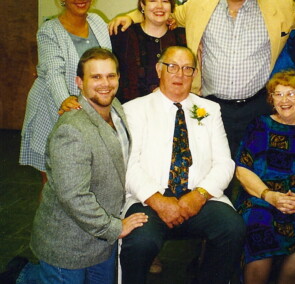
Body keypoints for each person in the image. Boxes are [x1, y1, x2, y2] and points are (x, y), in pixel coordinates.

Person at [108, 0, 295, 155]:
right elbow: (162, 11)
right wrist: (129, 16)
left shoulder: (279, 6)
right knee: (213, 169)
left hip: (258, 106)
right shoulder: (198, 5)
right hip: (212, 107)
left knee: (256, 167)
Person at [120, 46, 246, 284]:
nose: (180, 74)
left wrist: (198, 196)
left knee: (233, 229)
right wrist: (158, 201)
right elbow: (129, 165)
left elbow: (224, 163)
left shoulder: (209, 110)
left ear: (194, 75)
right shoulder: (134, 110)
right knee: (140, 242)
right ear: (159, 69)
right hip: (149, 198)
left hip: (197, 196)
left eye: (188, 69)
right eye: (173, 67)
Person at [30, 47, 148, 284]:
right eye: (95, 77)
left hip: (101, 242)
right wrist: (115, 228)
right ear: (79, 82)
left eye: (110, 76)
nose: (105, 83)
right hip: (68, 246)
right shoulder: (71, 129)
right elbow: (74, 196)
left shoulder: (116, 108)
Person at [235, 69, 295, 284]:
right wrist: (270, 196)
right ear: (271, 99)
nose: (284, 100)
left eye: (291, 93)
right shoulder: (259, 126)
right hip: (261, 198)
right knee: (259, 230)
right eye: (278, 94)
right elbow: (242, 169)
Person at [19, 0, 111, 187]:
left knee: (84, 177)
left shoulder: (98, 22)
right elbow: (54, 72)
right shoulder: (49, 30)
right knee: (53, 183)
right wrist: (65, 99)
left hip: (88, 110)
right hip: (51, 109)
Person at [111, 0, 186, 103]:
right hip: (131, 112)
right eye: (153, 0)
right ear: (142, 4)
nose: (159, 6)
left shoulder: (182, 38)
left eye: (165, 1)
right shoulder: (123, 35)